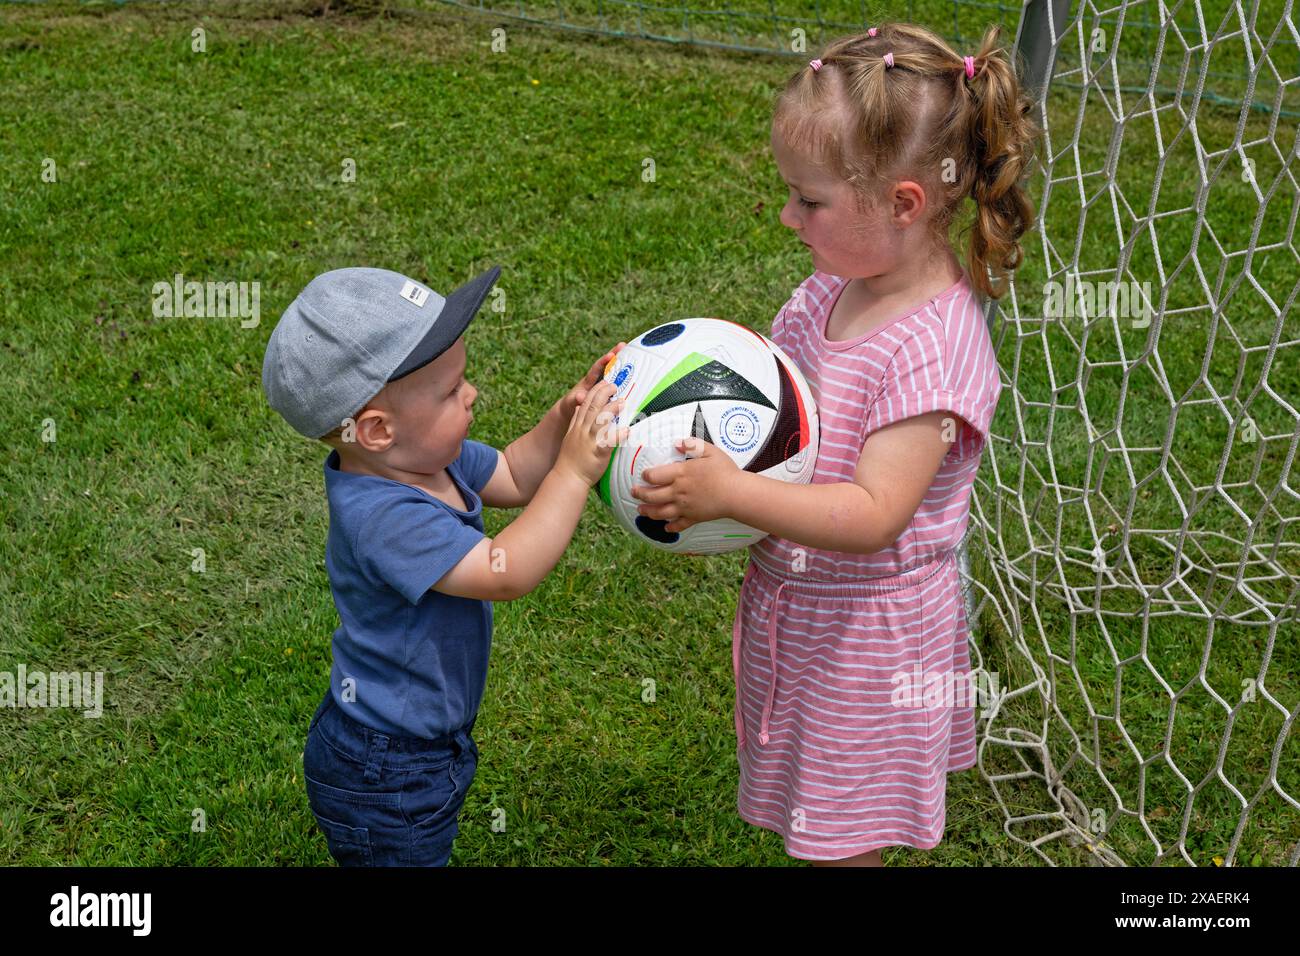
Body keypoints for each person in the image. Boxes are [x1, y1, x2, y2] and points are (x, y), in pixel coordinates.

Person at [633, 22, 1041, 865]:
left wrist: (733, 496)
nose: (787, 216)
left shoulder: (935, 346)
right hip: (802, 614)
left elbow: (873, 513)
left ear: (903, 203)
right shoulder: (829, 291)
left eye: (809, 199)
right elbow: (786, 417)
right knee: (810, 822)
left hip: (871, 643)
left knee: (841, 840)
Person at [261, 264, 627, 865]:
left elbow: (512, 471)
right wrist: (575, 472)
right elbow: (506, 570)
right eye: (451, 391)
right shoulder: (383, 515)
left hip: (422, 744)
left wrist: (564, 420)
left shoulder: (429, 461)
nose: (472, 393)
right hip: (385, 766)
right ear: (378, 430)